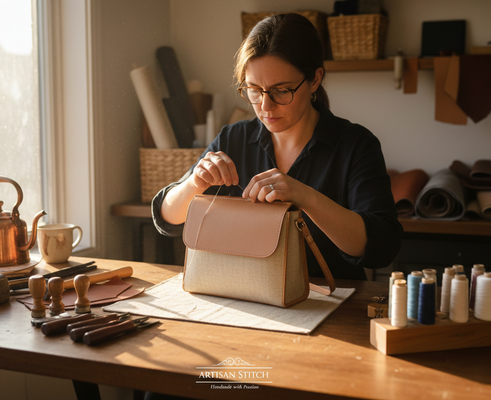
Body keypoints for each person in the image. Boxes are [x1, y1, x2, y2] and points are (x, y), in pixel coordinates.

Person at [152, 13, 402, 282]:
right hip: (247, 298)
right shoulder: (233, 138)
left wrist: (306, 197)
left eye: (281, 90)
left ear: (315, 79)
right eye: (254, 90)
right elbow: (167, 219)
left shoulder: (356, 145)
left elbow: (381, 248)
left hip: (332, 306)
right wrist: (194, 184)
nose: (265, 106)